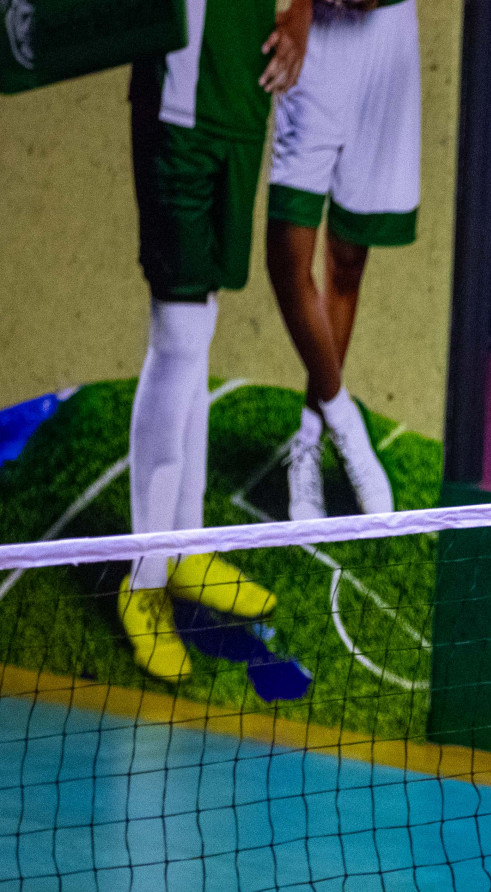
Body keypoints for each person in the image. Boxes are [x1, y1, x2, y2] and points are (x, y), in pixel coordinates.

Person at [119, 0, 313, 682]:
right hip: (177, 105)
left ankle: (185, 546)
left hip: (241, 102)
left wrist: (302, 16)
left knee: (198, 325)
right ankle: (144, 576)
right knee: (176, 328)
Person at [266, 0, 421, 520]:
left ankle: (308, 440)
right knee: (288, 258)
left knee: (348, 258)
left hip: (387, 37)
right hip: (319, 38)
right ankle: (344, 421)